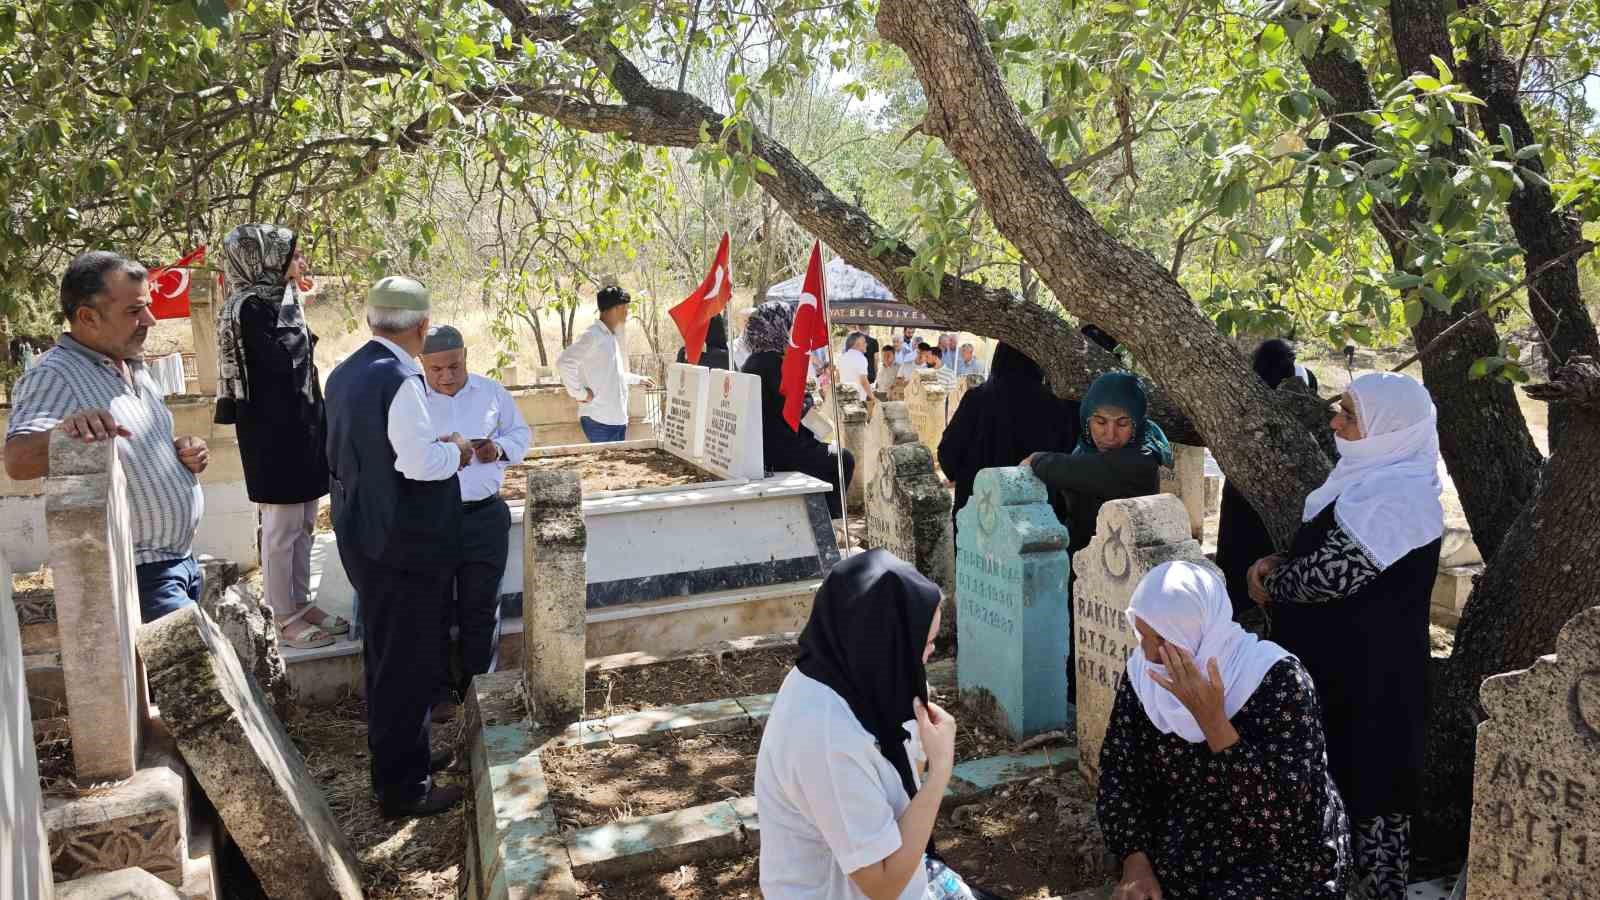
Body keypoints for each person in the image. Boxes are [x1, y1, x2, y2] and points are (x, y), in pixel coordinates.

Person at [1248, 372, 1443, 900]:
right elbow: (1324, 555)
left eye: (1350, 415)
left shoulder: (1399, 499)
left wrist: (1270, 583)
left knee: (1372, 791)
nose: (1335, 422)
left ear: (1390, 430)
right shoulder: (1363, 482)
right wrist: (1280, 562)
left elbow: (1330, 576)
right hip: (1335, 672)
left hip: (1373, 684)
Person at [1098, 561, 1351, 900]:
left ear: (1201, 630)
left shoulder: (1277, 679)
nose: (1148, 653)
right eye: (1141, 634)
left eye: (1162, 638)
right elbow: (1120, 774)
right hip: (1183, 847)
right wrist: (1134, 862)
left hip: (1282, 860)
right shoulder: (1144, 675)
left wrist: (1212, 721)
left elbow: (1280, 820)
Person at [756, 549, 985, 900]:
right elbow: (882, 885)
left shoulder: (858, 676)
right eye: (924, 644)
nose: (929, 654)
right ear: (886, 644)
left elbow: (903, 781)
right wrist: (941, 772)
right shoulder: (826, 735)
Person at [325, 276, 468, 819]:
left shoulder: (346, 372)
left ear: (370, 321)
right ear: (423, 326)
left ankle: (407, 757)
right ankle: (403, 788)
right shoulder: (400, 381)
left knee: (388, 657)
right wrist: (453, 449)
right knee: (404, 664)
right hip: (402, 547)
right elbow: (417, 462)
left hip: (365, 536)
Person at [4, 252, 209, 623]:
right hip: (141, 576)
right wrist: (67, 431)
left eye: (147, 307)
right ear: (87, 317)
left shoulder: (134, 366)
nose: (150, 320)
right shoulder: (54, 375)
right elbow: (17, 460)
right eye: (135, 311)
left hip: (182, 563)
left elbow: (136, 445)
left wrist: (180, 450)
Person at [214, 224, 345, 650]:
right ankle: (280, 614)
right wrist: (295, 305)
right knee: (282, 527)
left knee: (306, 521)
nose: (301, 263)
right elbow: (281, 362)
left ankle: (301, 603)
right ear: (265, 259)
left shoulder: (278, 301)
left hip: (301, 426)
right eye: (293, 257)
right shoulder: (248, 307)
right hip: (274, 435)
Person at [419, 325, 532, 722]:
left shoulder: (491, 392)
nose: (446, 376)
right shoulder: (410, 398)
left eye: (454, 366)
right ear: (421, 363)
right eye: (436, 369)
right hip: (430, 517)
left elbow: (522, 434)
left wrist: (497, 448)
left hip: (484, 515)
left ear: (466, 356)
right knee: (431, 607)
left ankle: (477, 689)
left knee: (481, 607)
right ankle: (438, 694)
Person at [1215, 339, 1317, 620]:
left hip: (1244, 484)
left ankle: (1240, 606)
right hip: (1274, 482)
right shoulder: (1301, 380)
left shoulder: (1248, 387)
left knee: (1238, 550)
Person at [938, 343, 1077, 544]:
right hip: (1035, 517)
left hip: (978, 509)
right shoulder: (1057, 406)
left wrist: (961, 475)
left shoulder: (976, 399)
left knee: (976, 573)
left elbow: (948, 452)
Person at [1024, 372, 1170, 556]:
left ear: (1137, 424)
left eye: (1122, 424)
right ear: (1087, 420)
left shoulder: (1142, 460)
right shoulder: (1085, 448)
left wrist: (1037, 459)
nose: (1110, 435)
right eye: (1100, 422)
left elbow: (1076, 470)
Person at [741, 301, 854, 518]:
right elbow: (798, 409)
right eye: (790, 325)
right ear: (778, 327)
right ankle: (831, 521)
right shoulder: (777, 364)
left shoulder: (751, 362)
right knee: (844, 459)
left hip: (762, 450)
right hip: (783, 452)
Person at [557, 285, 654, 443]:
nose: (627, 313)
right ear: (616, 309)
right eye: (625, 308)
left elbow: (613, 375)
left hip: (616, 420)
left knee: (616, 467)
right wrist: (580, 394)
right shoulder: (593, 335)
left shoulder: (609, 336)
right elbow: (564, 362)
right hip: (599, 421)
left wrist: (637, 379)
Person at [835, 331, 873, 399]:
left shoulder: (842, 357)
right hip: (857, 400)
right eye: (864, 342)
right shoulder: (861, 358)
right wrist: (873, 398)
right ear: (857, 344)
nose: (866, 344)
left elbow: (837, 379)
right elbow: (863, 381)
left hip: (844, 398)